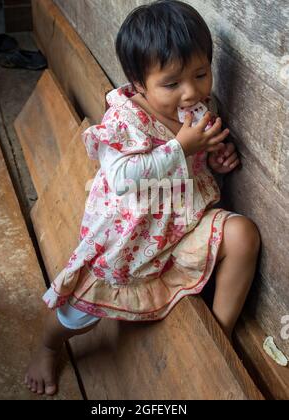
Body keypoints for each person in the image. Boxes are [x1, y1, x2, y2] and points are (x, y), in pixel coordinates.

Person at [25, 0, 261, 396]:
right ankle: (48, 345)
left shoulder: (201, 107)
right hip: (128, 240)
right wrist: (180, 147)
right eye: (171, 84)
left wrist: (216, 159)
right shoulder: (123, 120)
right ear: (138, 85)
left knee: (243, 235)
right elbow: (120, 178)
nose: (191, 92)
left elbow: (199, 159)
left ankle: (216, 340)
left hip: (181, 224)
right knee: (79, 312)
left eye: (202, 74)